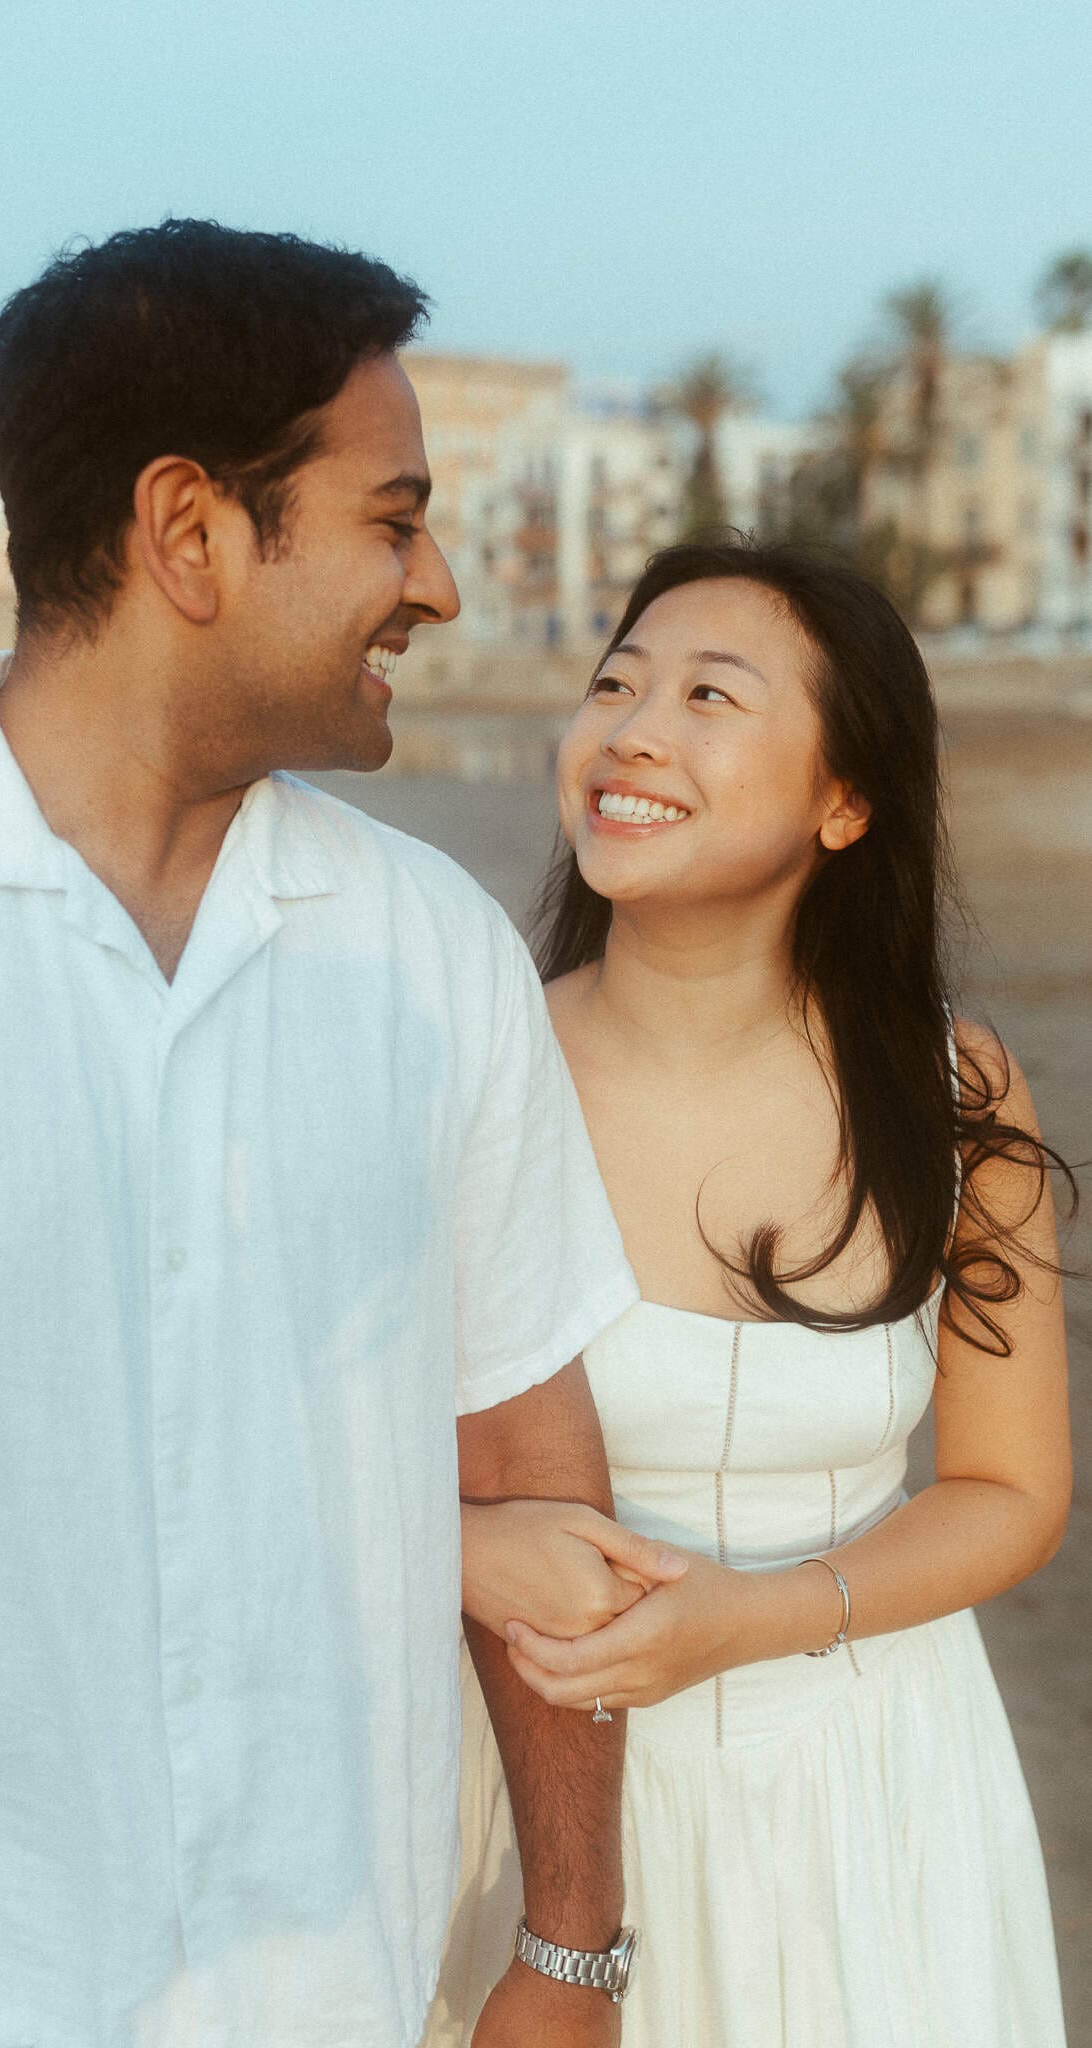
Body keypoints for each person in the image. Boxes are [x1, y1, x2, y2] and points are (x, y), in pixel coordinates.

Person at [0, 221, 684, 2048]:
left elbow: (526, 1478)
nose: (439, 586)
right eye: (392, 519)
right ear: (189, 532)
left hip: (329, 1986)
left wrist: (569, 1951)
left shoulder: (431, 954)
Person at [426, 541, 1073, 2047]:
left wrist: (755, 1619)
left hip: (868, 1785)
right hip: (529, 1799)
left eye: (708, 693)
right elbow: (292, 1446)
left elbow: (1007, 1488)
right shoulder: (467, 1072)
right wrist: (459, 1547)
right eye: (613, 684)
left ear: (843, 802)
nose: (630, 729)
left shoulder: (950, 1084)